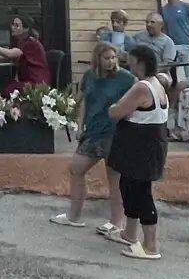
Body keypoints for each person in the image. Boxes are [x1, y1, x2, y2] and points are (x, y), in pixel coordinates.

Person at [51, 41, 130, 237]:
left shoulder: (126, 78)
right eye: (107, 58)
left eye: (113, 57)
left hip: (114, 133)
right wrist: (79, 125)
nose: (111, 61)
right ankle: (74, 216)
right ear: (97, 59)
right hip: (93, 132)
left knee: (115, 178)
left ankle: (116, 223)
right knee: (76, 168)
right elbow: (83, 100)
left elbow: (138, 96)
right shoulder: (89, 76)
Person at [106, 44, 170, 260]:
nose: (128, 64)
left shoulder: (141, 87)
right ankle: (130, 234)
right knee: (128, 185)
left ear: (140, 62)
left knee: (141, 192)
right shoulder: (156, 83)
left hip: (140, 146)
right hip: (147, 143)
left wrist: (114, 107)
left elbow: (117, 111)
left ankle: (151, 246)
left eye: (131, 61)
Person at [0, 13, 51, 94]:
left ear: (26, 29)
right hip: (28, 82)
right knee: (2, 84)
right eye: (12, 25)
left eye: (17, 25)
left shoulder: (31, 43)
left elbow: (10, 54)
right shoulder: (21, 42)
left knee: (5, 89)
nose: (13, 27)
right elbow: (11, 56)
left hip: (37, 84)